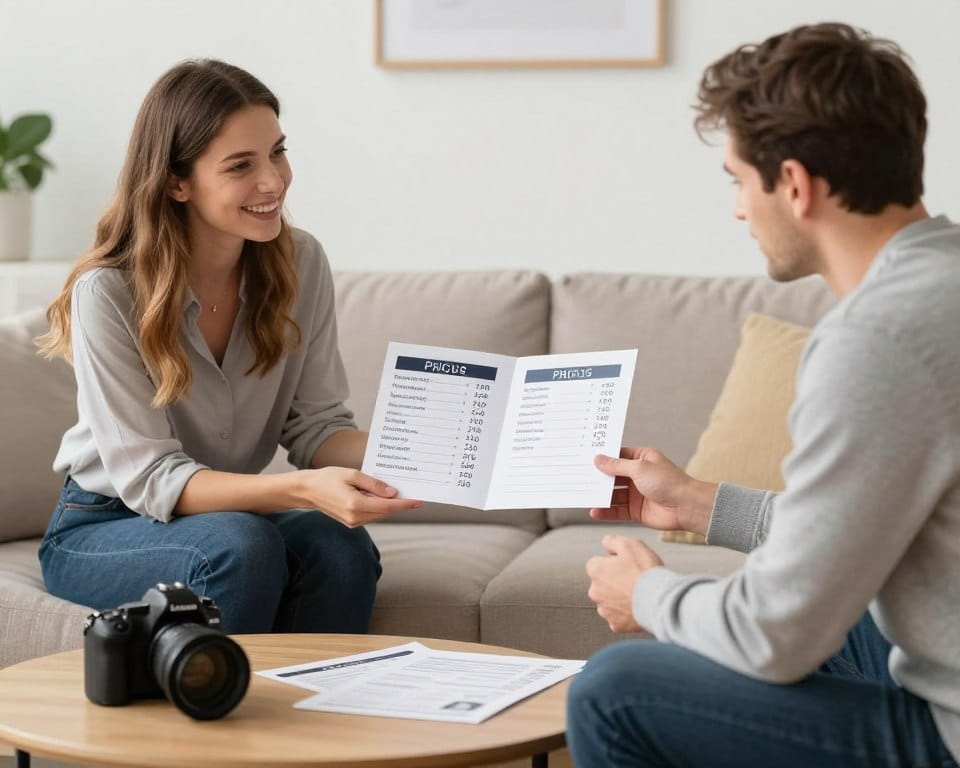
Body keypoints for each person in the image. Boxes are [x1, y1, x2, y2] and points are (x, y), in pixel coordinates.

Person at [567, 23, 960, 768]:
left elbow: (774, 636)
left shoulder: (877, 341)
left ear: (795, 185)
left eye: (739, 181)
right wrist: (695, 503)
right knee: (856, 613)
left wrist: (648, 595)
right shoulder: (943, 275)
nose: (739, 210)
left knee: (615, 689)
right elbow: (856, 528)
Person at [35, 59, 423, 635]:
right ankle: (219, 720)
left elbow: (316, 429)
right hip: (104, 525)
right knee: (241, 544)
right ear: (176, 182)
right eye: (241, 165)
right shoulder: (110, 292)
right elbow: (152, 479)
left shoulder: (301, 262)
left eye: (278, 152)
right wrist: (298, 489)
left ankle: (322, 712)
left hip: (230, 517)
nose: (273, 181)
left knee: (338, 544)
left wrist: (443, 454)